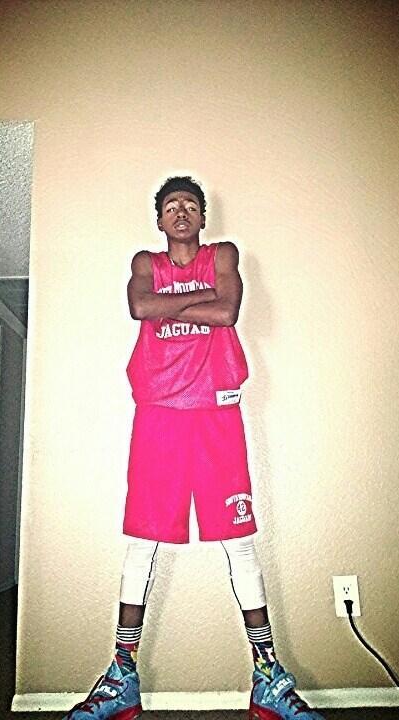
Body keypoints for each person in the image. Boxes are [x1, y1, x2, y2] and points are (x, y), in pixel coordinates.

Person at [66, 177, 324, 720]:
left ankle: (268, 677)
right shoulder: (145, 262)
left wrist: (170, 307)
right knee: (142, 542)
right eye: (170, 206)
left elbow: (228, 312)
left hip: (216, 413)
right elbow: (140, 305)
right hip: (159, 413)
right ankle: (122, 676)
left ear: (203, 217)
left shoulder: (222, 254)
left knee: (240, 542)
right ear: (159, 220)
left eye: (190, 205)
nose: (180, 212)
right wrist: (194, 300)